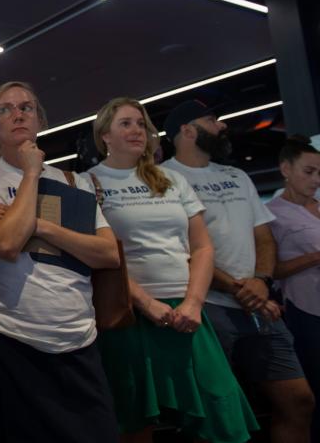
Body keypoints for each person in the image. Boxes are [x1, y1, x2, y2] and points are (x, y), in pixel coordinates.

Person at [85, 97, 257, 443]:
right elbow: (100, 257)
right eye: (126, 123)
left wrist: (193, 302)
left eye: (142, 124)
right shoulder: (88, 182)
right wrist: (146, 303)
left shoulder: (172, 179)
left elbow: (203, 247)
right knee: (135, 422)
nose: (138, 130)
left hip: (186, 310)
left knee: (222, 414)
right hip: (129, 314)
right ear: (105, 135)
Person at [0, 81, 120, 443]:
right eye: (5, 109)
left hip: (77, 333)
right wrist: (32, 173)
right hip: (9, 335)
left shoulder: (73, 180)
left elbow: (107, 253)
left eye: (27, 107)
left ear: (40, 120)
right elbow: (5, 243)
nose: (18, 114)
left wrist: (42, 226)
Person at [163, 100, 314, 442]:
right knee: (219, 411)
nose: (221, 126)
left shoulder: (236, 175)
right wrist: (239, 289)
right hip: (208, 306)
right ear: (187, 130)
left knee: (299, 400)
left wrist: (260, 282)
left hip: (257, 305)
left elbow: (262, 235)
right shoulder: (166, 178)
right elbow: (184, 248)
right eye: (212, 119)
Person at [267, 135, 320, 442]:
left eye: (319, 173)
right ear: (286, 169)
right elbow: (272, 270)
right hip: (307, 312)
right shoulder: (274, 213)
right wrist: (314, 257)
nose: (315, 180)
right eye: (308, 172)